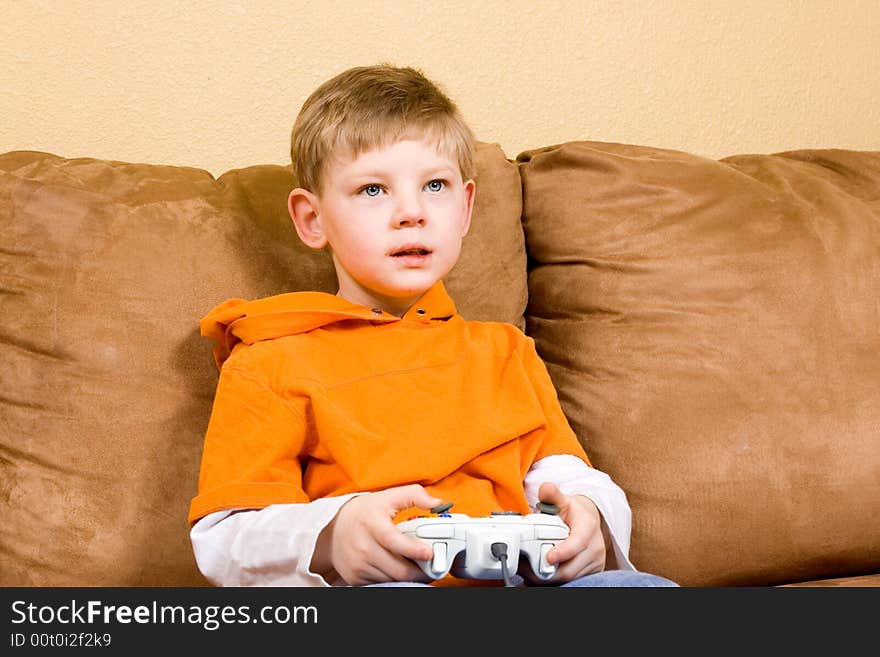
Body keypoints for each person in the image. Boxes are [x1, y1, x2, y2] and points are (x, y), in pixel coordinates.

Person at [188, 64, 676, 588]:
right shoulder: (270, 358)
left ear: (464, 209)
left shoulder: (504, 351)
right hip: (385, 588)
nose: (411, 212)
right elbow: (224, 534)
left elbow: (559, 473)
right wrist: (334, 533)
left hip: (520, 584)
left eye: (435, 185)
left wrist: (588, 517)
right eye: (373, 190)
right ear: (313, 219)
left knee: (640, 589)